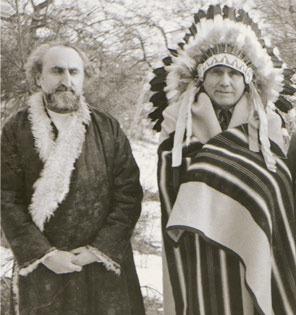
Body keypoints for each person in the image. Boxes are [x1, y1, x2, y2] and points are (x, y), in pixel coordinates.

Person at [149, 4, 296, 315]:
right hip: (198, 245)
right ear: (202, 78)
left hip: (255, 241)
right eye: (216, 72)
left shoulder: (268, 124)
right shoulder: (178, 123)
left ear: (247, 80)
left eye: (234, 73)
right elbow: (170, 184)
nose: (225, 82)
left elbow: (278, 191)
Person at [1, 41, 145, 315]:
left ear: (84, 78)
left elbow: (128, 194)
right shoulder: (16, 130)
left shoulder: (107, 127)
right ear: (38, 77)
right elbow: (7, 199)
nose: (66, 80)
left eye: (74, 72)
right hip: (46, 269)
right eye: (57, 71)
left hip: (101, 267)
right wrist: (44, 255)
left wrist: (98, 250)